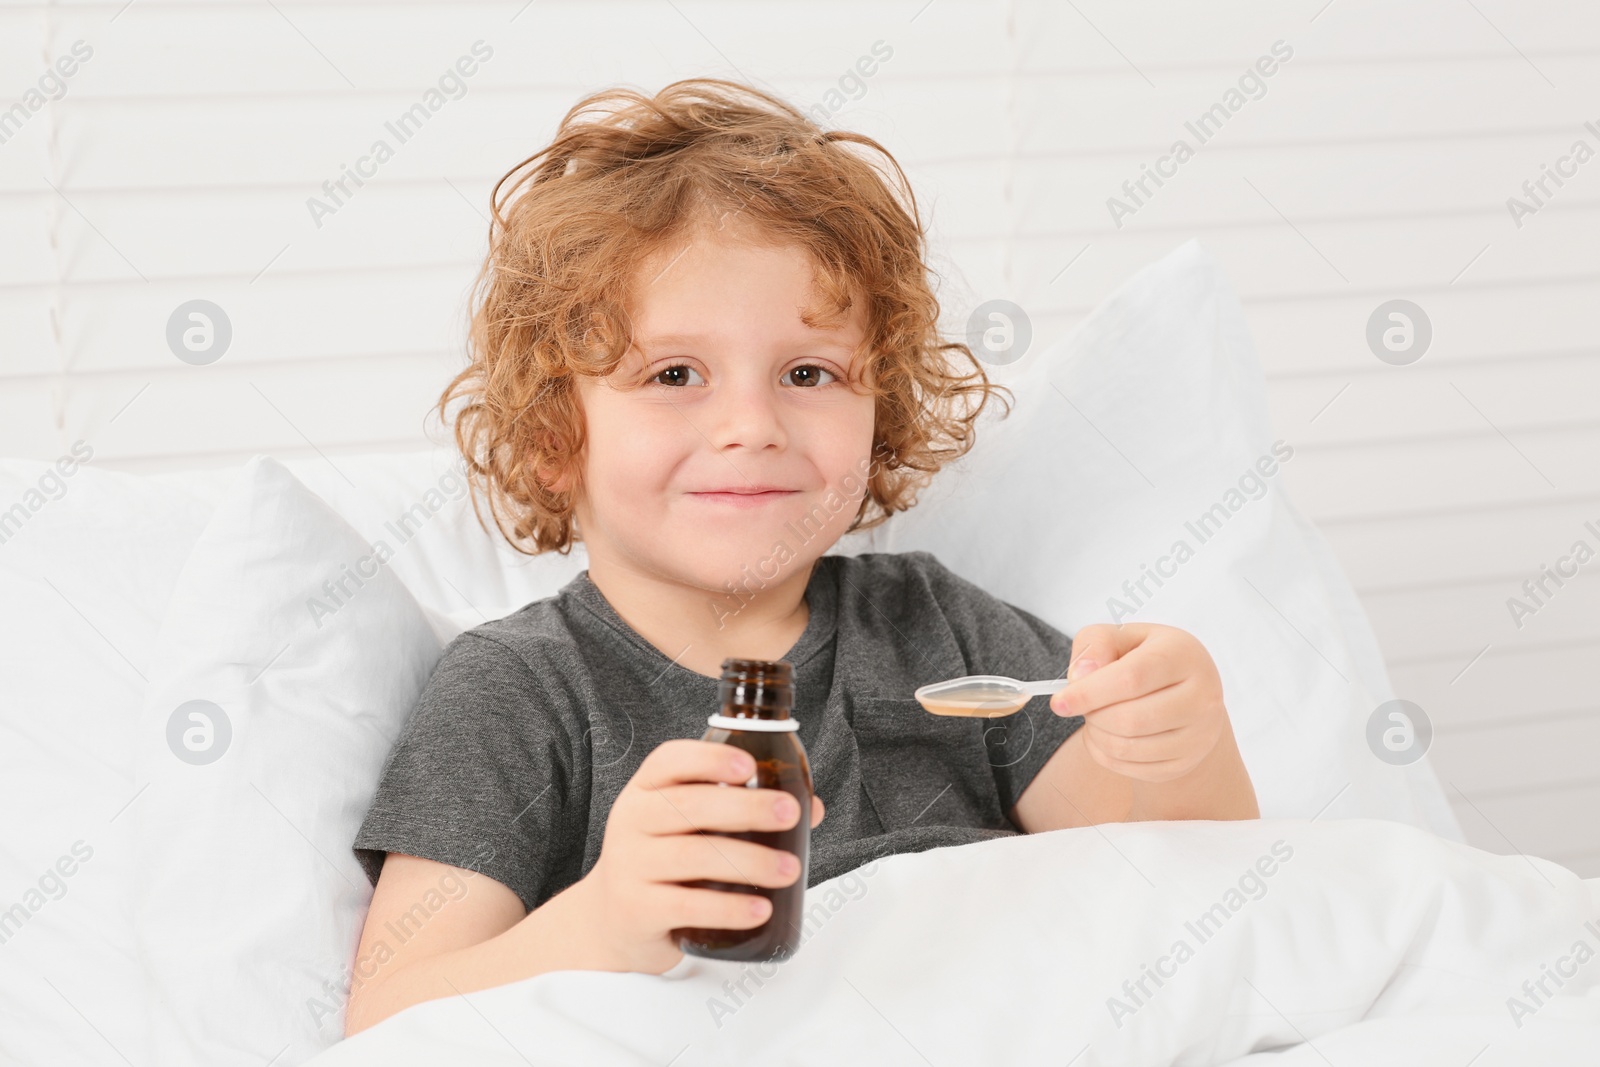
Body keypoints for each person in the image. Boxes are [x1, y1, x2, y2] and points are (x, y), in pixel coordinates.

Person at [344, 78, 1258, 1036]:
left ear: (882, 414)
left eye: (808, 373)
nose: (752, 424)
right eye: (674, 374)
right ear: (553, 438)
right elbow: (388, 1019)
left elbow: (1194, 880)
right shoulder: (518, 693)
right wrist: (605, 918)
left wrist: (1179, 741)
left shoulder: (936, 628)